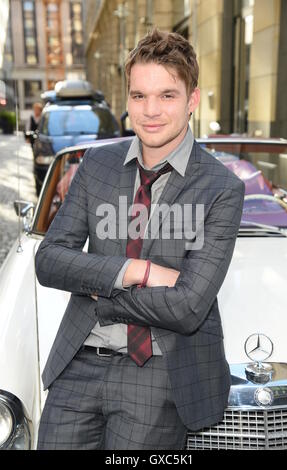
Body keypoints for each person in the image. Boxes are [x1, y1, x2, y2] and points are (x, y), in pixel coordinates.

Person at [35, 29, 245, 450]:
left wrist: (100, 292)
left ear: (192, 100)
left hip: (158, 374)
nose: (150, 111)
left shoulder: (221, 187)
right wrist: (136, 270)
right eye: (139, 96)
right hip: (78, 365)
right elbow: (50, 260)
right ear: (127, 99)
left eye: (167, 96)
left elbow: (187, 306)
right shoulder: (97, 164)